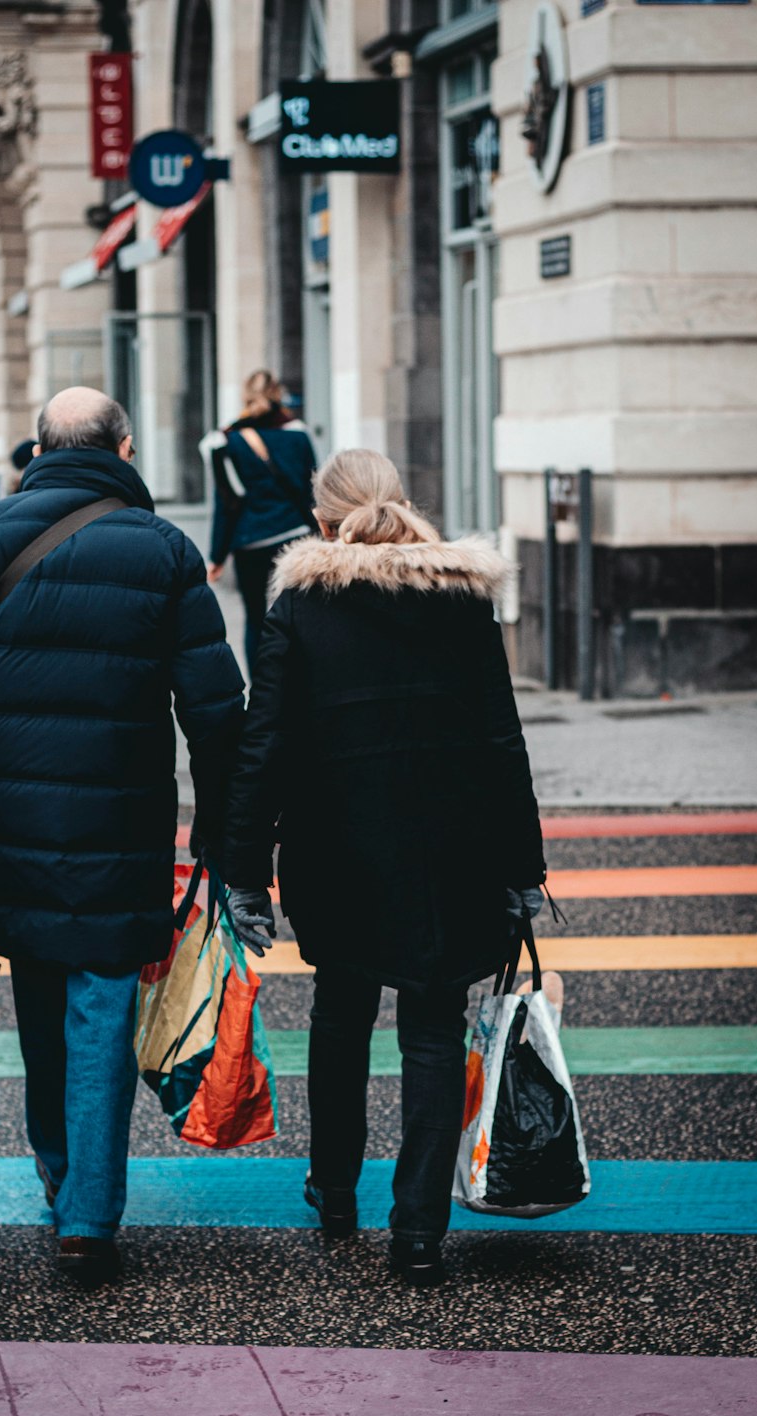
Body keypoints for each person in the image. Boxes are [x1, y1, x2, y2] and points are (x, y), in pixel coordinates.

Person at [0, 386, 245, 1287]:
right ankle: (89, 1213)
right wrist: (224, 823)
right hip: (120, 822)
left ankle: (59, 1175)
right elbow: (215, 708)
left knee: (44, 999)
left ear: (40, 448)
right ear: (122, 447)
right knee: (104, 1006)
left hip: (9, 820)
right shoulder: (165, 551)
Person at [220, 449, 546, 1287]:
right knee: (433, 1030)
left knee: (341, 1008)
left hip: (338, 850)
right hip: (455, 853)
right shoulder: (464, 599)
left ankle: (334, 1192)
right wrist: (523, 868)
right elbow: (501, 742)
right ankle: (419, 1235)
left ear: (323, 521)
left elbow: (266, 745)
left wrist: (244, 868)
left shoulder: (302, 602)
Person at [200, 370, 317, 674]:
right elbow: (312, 490)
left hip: (251, 540)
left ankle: (263, 688)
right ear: (279, 395)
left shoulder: (230, 440)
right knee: (299, 615)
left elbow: (227, 502)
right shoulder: (298, 435)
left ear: (245, 398)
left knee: (255, 618)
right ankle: (299, 680)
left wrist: (217, 555)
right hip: (294, 536)